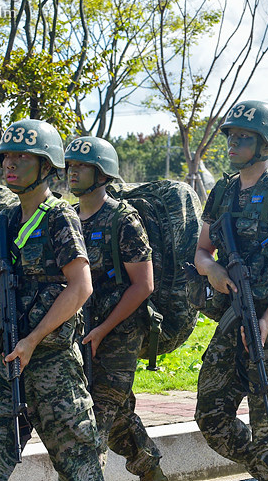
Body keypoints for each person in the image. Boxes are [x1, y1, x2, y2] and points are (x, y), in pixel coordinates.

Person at [0, 119, 103, 481]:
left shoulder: (59, 217)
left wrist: (32, 339)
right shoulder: (6, 220)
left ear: (46, 166)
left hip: (51, 366)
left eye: (22, 158)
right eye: (7, 156)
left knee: (81, 468)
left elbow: (80, 287)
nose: (9, 164)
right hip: (5, 360)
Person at [194, 100, 268, 481]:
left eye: (242, 137)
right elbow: (200, 250)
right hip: (235, 314)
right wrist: (212, 269)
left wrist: (266, 319)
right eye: (230, 136)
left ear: (265, 144)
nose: (231, 144)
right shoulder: (223, 191)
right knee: (210, 415)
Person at [65, 136, 168, 481]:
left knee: (94, 418)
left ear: (103, 174)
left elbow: (144, 285)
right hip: (82, 330)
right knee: (119, 416)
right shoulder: (68, 218)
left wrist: (103, 329)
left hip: (119, 333)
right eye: (70, 165)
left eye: (82, 166)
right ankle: (152, 471)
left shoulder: (123, 219)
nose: (72, 172)